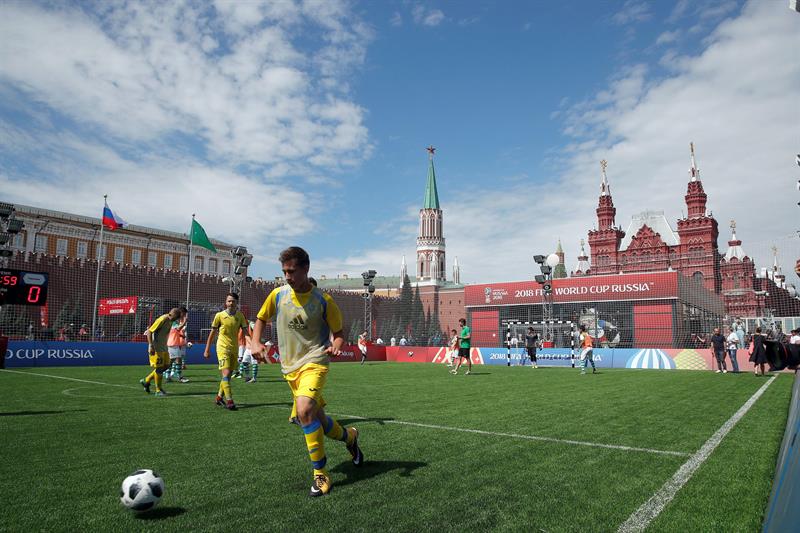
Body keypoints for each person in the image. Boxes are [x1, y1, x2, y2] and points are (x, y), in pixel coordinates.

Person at [250, 246, 363, 497]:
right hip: (290, 369)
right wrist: (255, 342)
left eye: (291, 271)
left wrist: (335, 346)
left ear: (305, 269)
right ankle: (350, 437)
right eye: (284, 272)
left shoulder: (323, 301)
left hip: (315, 362)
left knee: (303, 412)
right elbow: (260, 319)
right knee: (319, 421)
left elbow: (339, 334)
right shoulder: (278, 295)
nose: (287, 277)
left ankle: (320, 475)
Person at [204, 293, 250, 410]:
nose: (231, 303)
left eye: (233, 301)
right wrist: (207, 349)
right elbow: (212, 333)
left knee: (228, 375)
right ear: (226, 302)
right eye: (229, 301)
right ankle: (229, 401)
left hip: (234, 348)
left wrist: (253, 344)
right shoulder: (219, 315)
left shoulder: (240, 316)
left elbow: (246, 333)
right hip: (222, 347)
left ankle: (219, 398)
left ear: (236, 303)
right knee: (225, 374)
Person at [140, 307, 181, 396]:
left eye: (177, 318)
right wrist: (151, 346)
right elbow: (150, 331)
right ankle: (158, 390)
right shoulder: (162, 319)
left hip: (164, 347)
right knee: (159, 368)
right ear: (171, 314)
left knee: (166, 366)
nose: (176, 319)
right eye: (175, 317)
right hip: (156, 347)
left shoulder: (171, 320)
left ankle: (146, 380)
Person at [166, 307, 190, 383]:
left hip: (173, 343)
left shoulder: (174, 321)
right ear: (181, 313)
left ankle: (167, 376)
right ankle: (179, 377)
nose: (184, 315)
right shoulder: (174, 321)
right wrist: (184, 322)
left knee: (171, 361)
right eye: (184, 314)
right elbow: (178, 329)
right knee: (178, 359)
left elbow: (176, 331)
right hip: (172, 343)